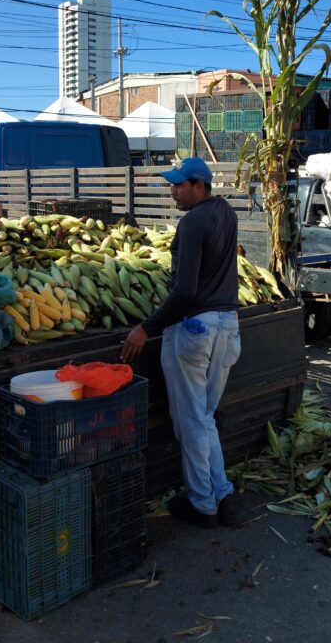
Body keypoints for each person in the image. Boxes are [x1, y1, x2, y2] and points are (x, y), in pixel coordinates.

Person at [120, 157, 242, 529]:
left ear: (199, 186)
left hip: (195, 328)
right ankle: (221, 492)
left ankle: (202, 503)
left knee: (191, 421)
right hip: (228, 325)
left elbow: (186, 291)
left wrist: (147, 327)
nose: (172, 192)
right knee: (205, 418)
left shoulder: (191, 223)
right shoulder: (226, 212)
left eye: (178, 186)